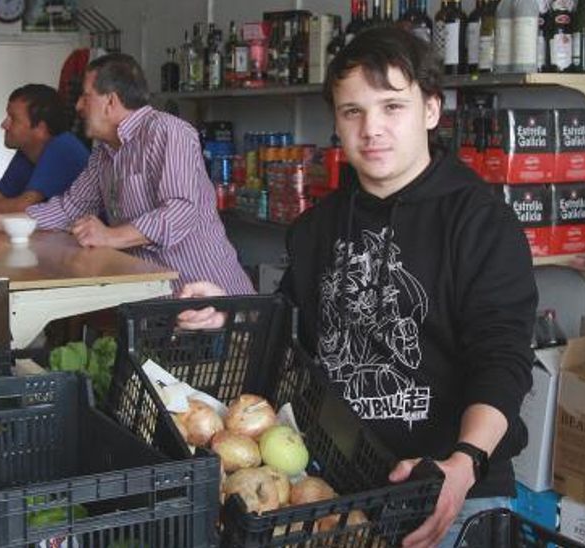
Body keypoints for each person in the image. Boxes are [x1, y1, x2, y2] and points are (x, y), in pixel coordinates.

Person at [177, 27, 537, 548]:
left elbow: (503, 359)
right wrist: (231, 315)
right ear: (337, 123)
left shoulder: (479, 222)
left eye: (392, 107)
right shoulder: (316, 227)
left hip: (451, 493)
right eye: (353, 112)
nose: (372, 129)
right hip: (336, 492)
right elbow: (294, 334)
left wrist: (464, 463)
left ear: (431, 111)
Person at [0, 53, 252, 296]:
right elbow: (69, 208)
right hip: (156, 299)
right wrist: (1, 222)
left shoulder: (168, 132)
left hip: (211, 298)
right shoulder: (104, 152)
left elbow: (179, 211)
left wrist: (110, 236)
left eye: (85, 97)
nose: (78, 107)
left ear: (110, 101)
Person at [0, 83, 89, 214]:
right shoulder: (27, 150)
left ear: (40, 128)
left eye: (13, 119)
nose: (4, 124)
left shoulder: (63, 147)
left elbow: (24, 207)